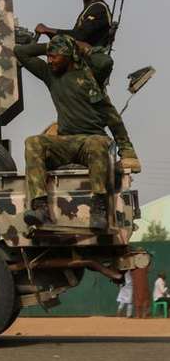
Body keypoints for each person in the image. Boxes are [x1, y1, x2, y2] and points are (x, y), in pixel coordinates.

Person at [34, 0, 141, 173]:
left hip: (92, 68)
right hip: (81, 69)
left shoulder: (98, 8)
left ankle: (127, 151)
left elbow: (79, 35)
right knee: (84, 108)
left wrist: (49, 30)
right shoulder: (88, 9)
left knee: (103, 107)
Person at [15, 35, 114, 227]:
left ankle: (99, 208)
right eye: (48, 56)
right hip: (66, 142)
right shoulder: (50, 74)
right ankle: (40, 208)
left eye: (54, 56)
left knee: (97, 143)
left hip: (89, 141)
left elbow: (106, 62)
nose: (49, 60)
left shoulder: (88, 74)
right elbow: (20, 52)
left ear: (68, 55)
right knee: (33, 141)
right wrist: (51, 46)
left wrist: (80, 46)